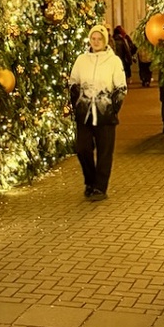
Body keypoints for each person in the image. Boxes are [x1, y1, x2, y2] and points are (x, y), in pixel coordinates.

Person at [69, 24, 127, 200]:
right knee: (82, 148)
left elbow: (121, 87)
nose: (96, 42)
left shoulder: (113, 61)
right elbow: (73, 82)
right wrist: (78, 100)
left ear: (105, 40)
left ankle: (100, 188)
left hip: (105, 114)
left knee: (104, 152)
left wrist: (112, 107)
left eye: (99, 39)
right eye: (93, 39)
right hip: (84, 113)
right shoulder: (81, 60)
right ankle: (90, 180)